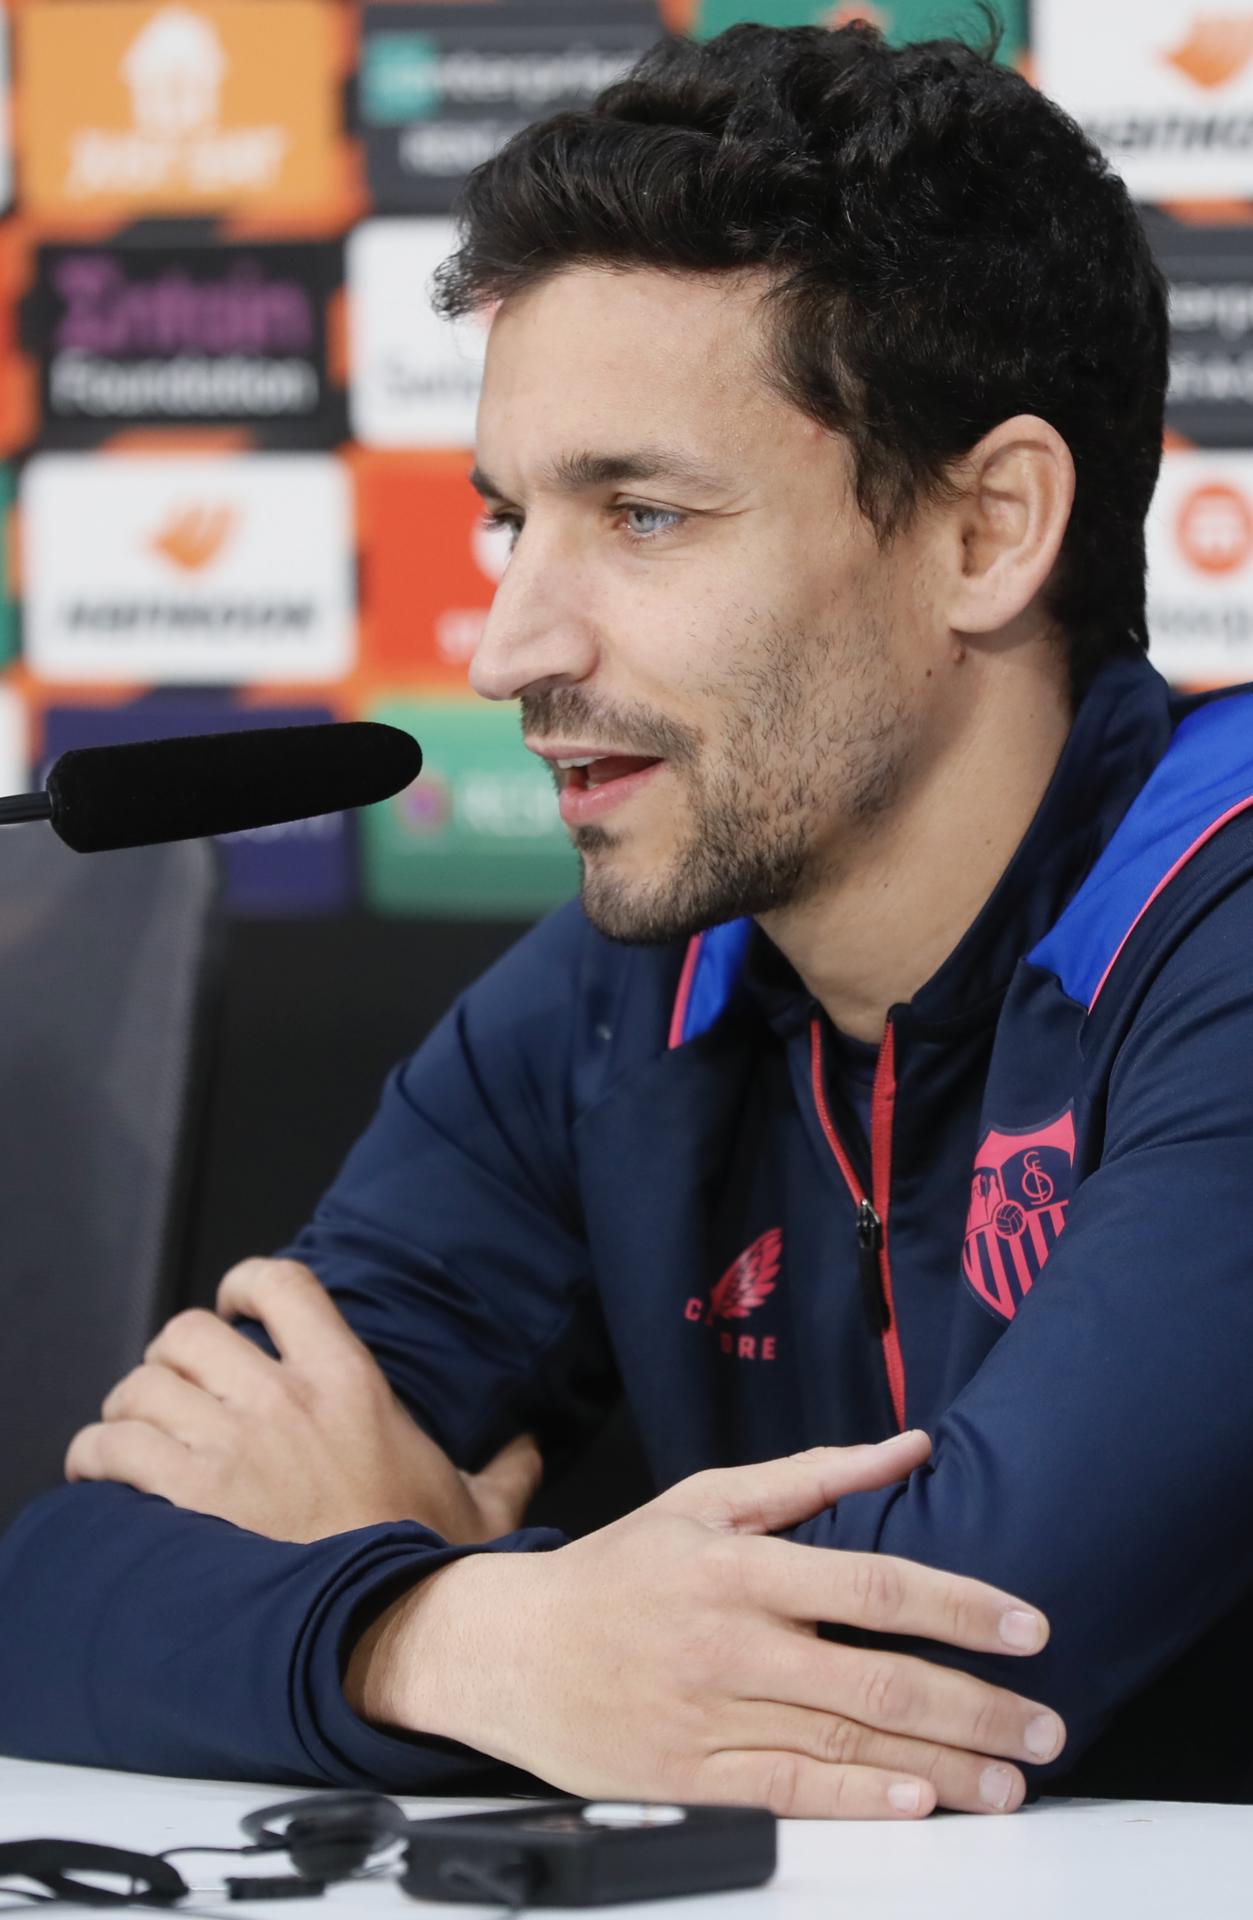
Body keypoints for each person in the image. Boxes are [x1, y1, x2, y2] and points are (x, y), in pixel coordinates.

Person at [3, 16, 1253, 1820]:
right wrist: (453, 1635)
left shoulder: (1215, 932)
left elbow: (962, 1648)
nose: (510, 647)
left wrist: (388, 1582)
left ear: (986, 532)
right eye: (513, 520)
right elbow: (57, 1589)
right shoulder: (613, 998)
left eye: (644, 516)